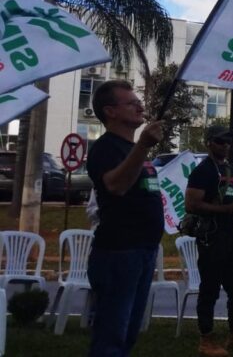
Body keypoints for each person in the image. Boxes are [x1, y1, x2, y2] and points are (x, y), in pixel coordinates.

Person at [85, 80, 164, 357]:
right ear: (111, 111)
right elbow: (116, 186)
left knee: (127, 333)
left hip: (142, 250)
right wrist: (142, 145)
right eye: (131, 102)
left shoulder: (132, 149)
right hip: (119, 252)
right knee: (112, 335)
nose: (140, 106)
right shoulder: (105, 148)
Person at [185, 126, 233, 356]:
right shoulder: (203, 171)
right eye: (219, 141)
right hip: (211, 236)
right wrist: (224, 209)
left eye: (227, 142)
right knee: (210, 288)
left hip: (231, 234)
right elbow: (191, 204)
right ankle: (206, 338)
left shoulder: (229, 169)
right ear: (208, 143)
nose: (224, 145)